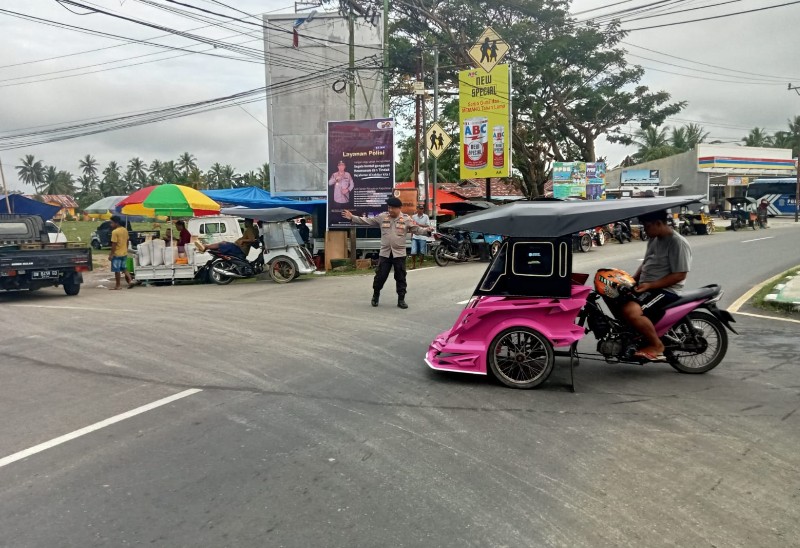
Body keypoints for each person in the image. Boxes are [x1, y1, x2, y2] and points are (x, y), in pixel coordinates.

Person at [622, 209, 692, 362]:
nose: (645, 231)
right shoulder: (654, 239)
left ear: (658, 223)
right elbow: (646, 263)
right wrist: (633, 279)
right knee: (619, 299)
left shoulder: (677, 243)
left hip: (666, 290)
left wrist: (650, 285)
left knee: (632, 312)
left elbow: (680, 275)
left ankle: (656, 345)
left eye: (647, 226)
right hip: (649, 287)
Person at [342, 197, 431, 309]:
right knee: (380, 276)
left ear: (399, 208)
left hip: (399, 254)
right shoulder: (382, 217)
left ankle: (401, 299)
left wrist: (427, 231)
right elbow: (367, 221)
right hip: (385, 254)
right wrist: (352, 217)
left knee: (401, 277)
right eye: (389, 207)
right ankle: (376, 295)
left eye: (393, 208)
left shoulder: (406, 219)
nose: (390, 210)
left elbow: (417, 229)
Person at [108, 215, 134, 290]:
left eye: (111, 223)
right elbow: (127, 241)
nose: (111, 224)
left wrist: (111, 254)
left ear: (116, 223)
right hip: (124, 253)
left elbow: (114, 244)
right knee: (125, 268)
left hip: (117, 254)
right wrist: (125, 249)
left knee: (117, 270)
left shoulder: (115, 232)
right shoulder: (125, 230)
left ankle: (118, 285)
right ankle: (130, 281)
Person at [410, 204, 430, 269]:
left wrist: (419, 225)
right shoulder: (413, 217)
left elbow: (427, 226)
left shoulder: (426, 216)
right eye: (420, 208)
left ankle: (420, 264)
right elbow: (412, 227)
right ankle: (413, 264)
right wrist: (411, 235)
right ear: (417, 209)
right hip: (415, 236)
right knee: (413, 251)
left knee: (422, 251)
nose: (421, 210)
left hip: (423, 236)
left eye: (422, 209)